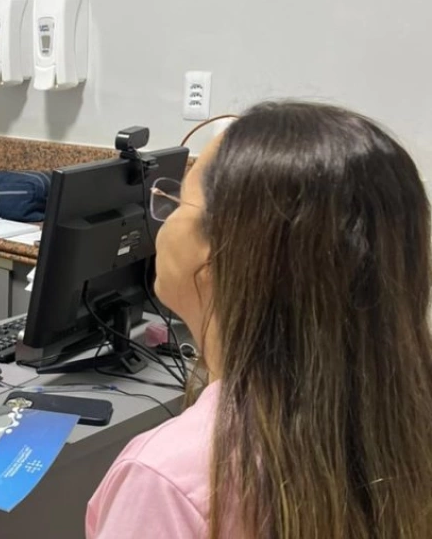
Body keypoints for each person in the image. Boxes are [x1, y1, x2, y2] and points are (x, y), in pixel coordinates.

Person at [86, 101, 432, 538]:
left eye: (177, 201)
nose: (165, 223)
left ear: (220, 257)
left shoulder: (168, 480)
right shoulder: (401, 428)